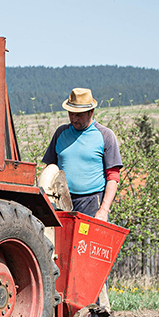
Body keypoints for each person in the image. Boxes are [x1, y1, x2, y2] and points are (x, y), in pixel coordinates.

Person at [40, 88, 122, 222]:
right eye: (71, 114)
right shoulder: (61, 133)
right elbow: (50, 169)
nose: (73, 119)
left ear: (91, 112)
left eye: (79, 115)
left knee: (86, 242)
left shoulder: (105, 135)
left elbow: (113, 176)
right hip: (61, 201)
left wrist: (104, 209)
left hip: (91, 203)